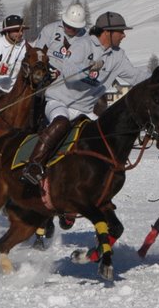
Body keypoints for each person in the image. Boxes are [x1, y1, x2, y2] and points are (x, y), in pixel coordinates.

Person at [22, 11, 149, 185]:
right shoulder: (83, 44)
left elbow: (134, 76)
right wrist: (88, 69)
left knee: (102, 135)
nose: (124, 35)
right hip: (59, 101)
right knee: (61, 123)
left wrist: (158, 77)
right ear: (107, 32)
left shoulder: (117, 56)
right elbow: (69, 73)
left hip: (84, 110)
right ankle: (34, 165)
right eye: (120, 31)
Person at [31, 3, 87, 78]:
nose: (70, 30)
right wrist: (46, 69)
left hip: (69, 76)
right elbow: (38, 53)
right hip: (46, 68)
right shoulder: (50, 29)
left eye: (74, 28)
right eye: (68, 26)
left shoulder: (86, 38)